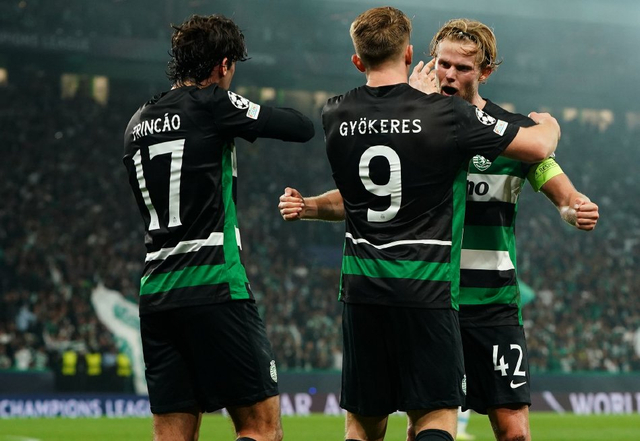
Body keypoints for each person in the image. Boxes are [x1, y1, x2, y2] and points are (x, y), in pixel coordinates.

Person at [278, 17, 596, 441]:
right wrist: (313, 205)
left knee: (514, 430)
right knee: (422, 421)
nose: (449, 74)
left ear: (485, 72)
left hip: (489, 301)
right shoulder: (424, 119)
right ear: (425, 59)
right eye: (443, 63)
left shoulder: (510, 132)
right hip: (431, 294)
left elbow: (553, 179)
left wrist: (573, 207)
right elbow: (369, 192)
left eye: (462, 68)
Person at [122, 14, 314, 441]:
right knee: (262, 429)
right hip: (214, 286)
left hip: (156, 296)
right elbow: (301, 128)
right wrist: (240, 108)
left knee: (172, 437)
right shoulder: (212, 102)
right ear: (223, 64)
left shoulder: (136, 122)